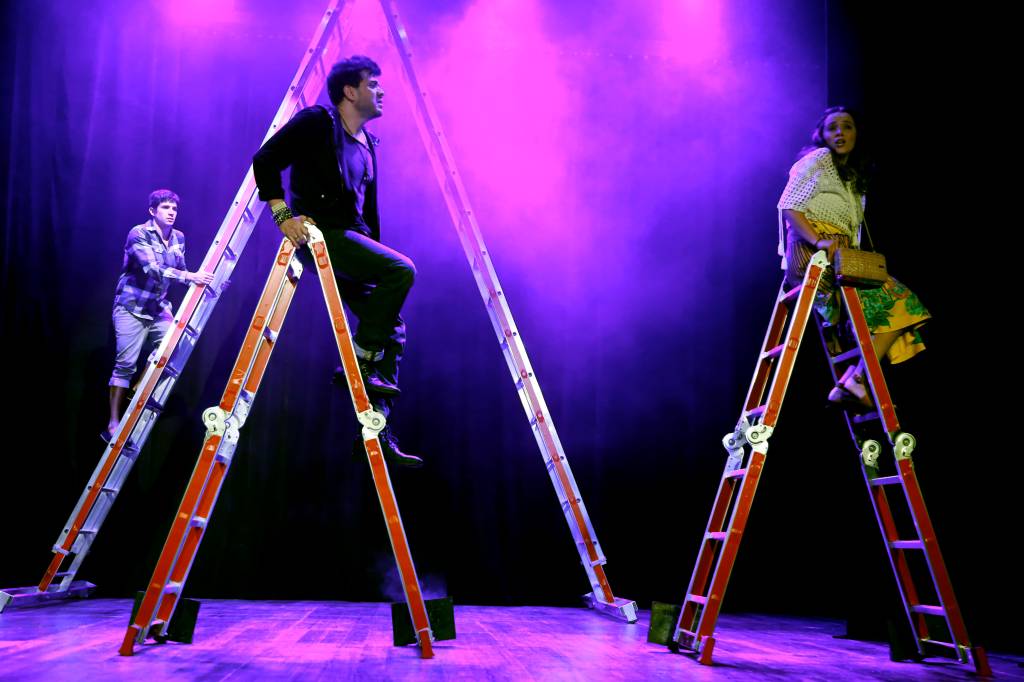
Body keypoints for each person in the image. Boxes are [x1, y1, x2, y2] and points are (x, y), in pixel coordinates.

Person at [252, 55, 423, 467]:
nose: (382, 92)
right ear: (350, 90)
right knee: (403, 270)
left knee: (393, 331)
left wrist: (374, 258)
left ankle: (378, 433)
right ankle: (358, 364)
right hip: (323, 233)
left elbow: (370, 214)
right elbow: (266, 160)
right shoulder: (318, 122)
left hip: (354, 241)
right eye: (374, 84)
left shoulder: (369, 146)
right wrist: (282, 216)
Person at [777, 107, 930, 408]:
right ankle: (857, 379)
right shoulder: (819, 160)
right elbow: (789, 206)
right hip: (815, 251)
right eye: (832, 127)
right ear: (821, 135)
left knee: (899, 308)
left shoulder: (853, 178)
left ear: (856, 134)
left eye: (847, 127)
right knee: (901, 302)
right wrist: (819, 240)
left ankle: (855, 379)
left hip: (842, 254)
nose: (840, 133)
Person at [107, 189, 213, 439]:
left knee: (172, 347)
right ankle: (113, 422)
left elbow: (183, 271)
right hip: (131, 306)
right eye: (166, 208)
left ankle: (138, 389)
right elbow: (152, 269)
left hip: (157, 306)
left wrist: (207, 282)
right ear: (153, 211)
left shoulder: (179, 238)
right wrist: (190, 277)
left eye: (174, 209)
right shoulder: (139, 233)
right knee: (125, 364)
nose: (172, 213)